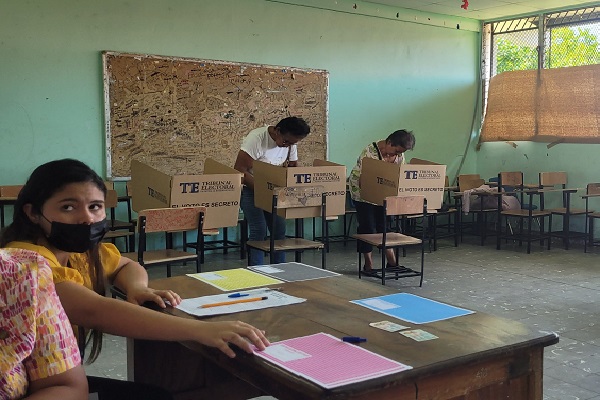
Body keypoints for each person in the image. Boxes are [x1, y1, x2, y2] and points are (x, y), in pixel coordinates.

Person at [1, 159, 269, 364]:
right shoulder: (25, 262)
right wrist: (200, 330)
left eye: (95, 206)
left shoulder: (80, 254)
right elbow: (94, 311)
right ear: (33, 213)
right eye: (68, 207)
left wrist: (138, 289)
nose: (87, 219)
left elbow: (127, 265)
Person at [0, 248, 88, 400]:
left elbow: (67, 386)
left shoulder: (25, 274)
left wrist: (136, 284)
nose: (88, 222)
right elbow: (90, 310)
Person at [234, 117, 311, 266]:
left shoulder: (290, 143)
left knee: (278, 231)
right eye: (286, 141)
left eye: (292, 144)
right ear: (277, 130)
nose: (286, 146)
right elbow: (239, 170)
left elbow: (293, 166)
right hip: (251, 190)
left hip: (276, 190)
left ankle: (279, 269)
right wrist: (263, 190)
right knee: (259, 231)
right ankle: (257, 271)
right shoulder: (256, 139)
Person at [347, 129, 416, 275]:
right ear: (389, 142)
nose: (396, 155)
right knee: (368, 228)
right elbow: (363, 179)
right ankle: (368, 264)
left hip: (384, 195)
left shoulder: (399, 155)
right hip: (363, 193)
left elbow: (399, 176)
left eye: (400, 153)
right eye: (395, 151)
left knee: (385, 226)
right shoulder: (370, 151)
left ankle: (392, 262)